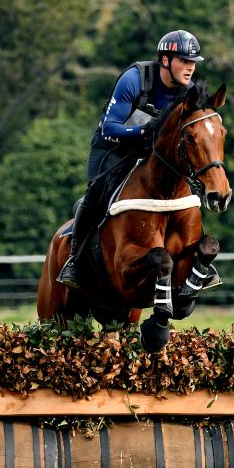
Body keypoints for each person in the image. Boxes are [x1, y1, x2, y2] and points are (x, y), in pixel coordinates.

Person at [57, 29, 205, 289]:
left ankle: (198, 261)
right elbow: (110, 128)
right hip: (112, 146)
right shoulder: (135, 79)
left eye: (193, 62)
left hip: (149, 152)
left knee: (185, 192)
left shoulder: (188, 91)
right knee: (98, 191)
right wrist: (144, 131)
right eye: (184, 60)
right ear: (165, 60)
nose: (190, 67)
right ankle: (74, 260)